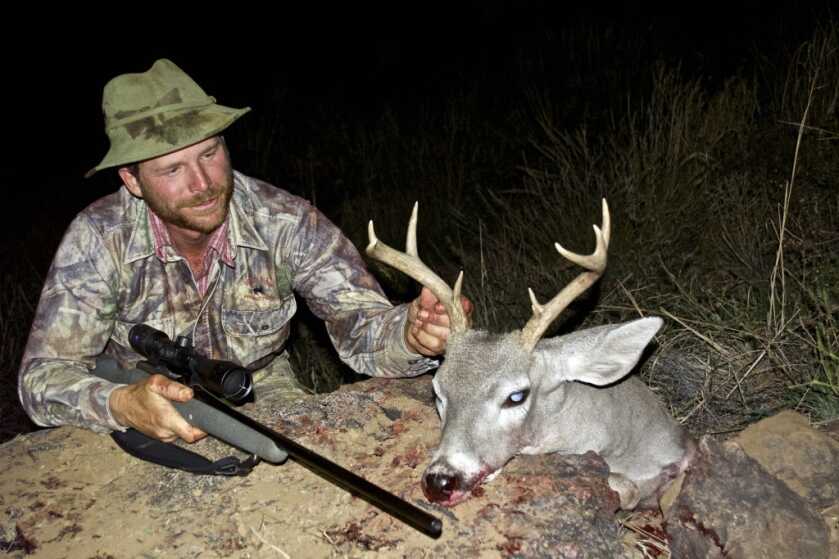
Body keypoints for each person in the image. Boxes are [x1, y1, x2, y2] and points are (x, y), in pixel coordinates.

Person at [18, 58, 468, 447]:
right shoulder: (98, 238)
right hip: (141, 388)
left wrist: (411, 333)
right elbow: (41, 379)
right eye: (172, 169)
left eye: (210, 152)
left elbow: (361, 328)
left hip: (257, 385)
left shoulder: (288, 222)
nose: (203, 183)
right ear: (132, 181)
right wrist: (120, 403)